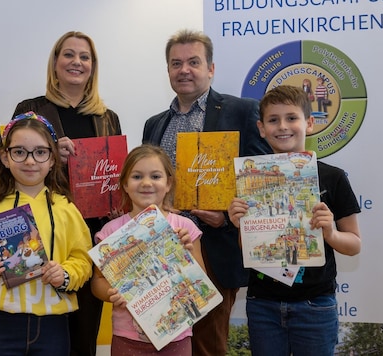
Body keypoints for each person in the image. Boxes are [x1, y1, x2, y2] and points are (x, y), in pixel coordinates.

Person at [142, 29, 272, 355]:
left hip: (212, 248)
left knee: (206, 346)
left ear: (210, 69)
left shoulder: (241, 111)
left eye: (193, 62)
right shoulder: (154, 124)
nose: (184, 69)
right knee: (162, 342)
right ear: (168, 70)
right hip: (162, 251)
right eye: (176, 63)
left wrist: (227, 218)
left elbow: (263, 181)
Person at [227, 85, 361, 355]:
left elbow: (354, 244)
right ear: (261, 128)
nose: (283, 126)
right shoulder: (250, 179)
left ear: (309, 123)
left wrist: (330, 234)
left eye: (291, 118)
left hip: (315, 304)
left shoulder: (333, 177)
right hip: (262, 303)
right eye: (273, 120)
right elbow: (248, 249)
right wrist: (240, 224)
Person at [13, 30, 121, 356]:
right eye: (69, 55)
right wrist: (45, 150)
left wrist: (117, 203)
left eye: (84, 57)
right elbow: (9, 164)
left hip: (91, 241)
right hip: (40, 237)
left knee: (84, 335)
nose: (77, 62)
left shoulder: (107, 118)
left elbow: (114, 177)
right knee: (39, 333)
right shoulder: (30, 110)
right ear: (56, 63)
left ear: (93, 66)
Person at [0, 112, 93, 356]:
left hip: (52, 325)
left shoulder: (67, 209)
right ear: (5, 157)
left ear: (53, 159)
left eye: (40, 152)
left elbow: (83, 261)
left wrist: (65, 273)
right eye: (20, 152)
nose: (30, 161)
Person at [90, 144, 205, 356]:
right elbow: (97, 282)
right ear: (124, 183)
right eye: (136, 177)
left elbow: (202, 280)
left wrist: (187, 253)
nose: (146, 183)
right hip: (127, 337)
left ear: (168, 183)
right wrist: (110, 293)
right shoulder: (110, 232)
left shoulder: (184, 228)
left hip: (176, 335)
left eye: (155, 176)